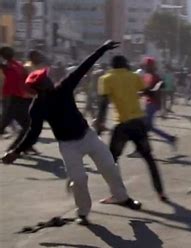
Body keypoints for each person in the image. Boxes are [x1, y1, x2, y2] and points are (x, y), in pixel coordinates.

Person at [1, 41, 141, 225]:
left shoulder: (64, 87)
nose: (49, 79)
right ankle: (82, 213)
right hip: (68, 146)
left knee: (109, 167)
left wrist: (102, 49)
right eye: (45, 79)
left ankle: (122, 197)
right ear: (40, 88)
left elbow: (83, 67)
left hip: (88, 136)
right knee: (79, 179)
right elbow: (33, 133)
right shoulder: (37, 108)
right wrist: (16, 152)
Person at [98, 54, 169, 202]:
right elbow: (149, 93)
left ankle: (117, 194)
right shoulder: (133, 76)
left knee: (111, 160)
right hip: (138, 124)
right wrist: (157, 86)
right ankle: (161, 192)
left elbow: (103, 104)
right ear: (125, 65)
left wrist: (100, 123)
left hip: (123, 125)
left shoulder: (106, 78)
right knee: (149, 159)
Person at [0, 46, 37, 154]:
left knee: (28, 126)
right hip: (11, 99)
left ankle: (14, 148)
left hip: (16, 99)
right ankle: (15, 149)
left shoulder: (14, 65)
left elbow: (26, 80)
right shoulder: (11, 65)